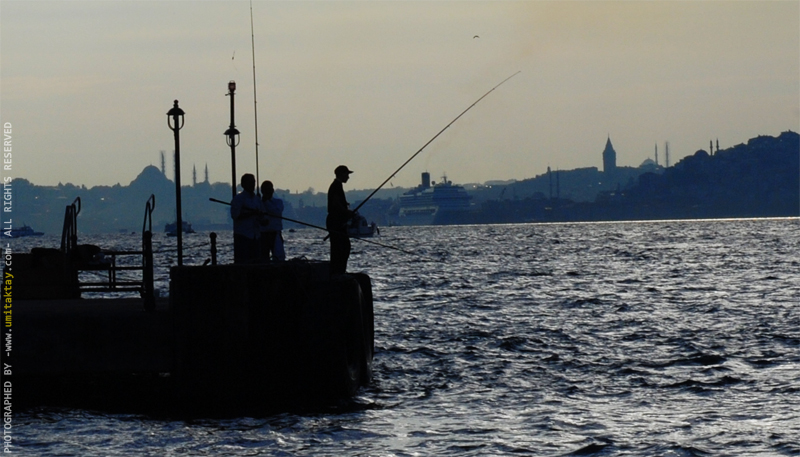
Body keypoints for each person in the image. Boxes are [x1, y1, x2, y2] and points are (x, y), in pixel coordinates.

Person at [327, 165, 355, 276]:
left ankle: (338, 272)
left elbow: (337, 202)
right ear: (341, 174)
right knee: (342, 248)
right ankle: (338, 272)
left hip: (336, 221)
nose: (348, 177)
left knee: (340, 248)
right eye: (347, 174)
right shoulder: (336, 186)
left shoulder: (336, 185)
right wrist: (346, 212)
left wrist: (345, 205)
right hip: (335, 221)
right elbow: (335, 203)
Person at [230, 173, 261, 264]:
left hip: (256, 236)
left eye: (254, 182)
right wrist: (251, 213)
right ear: (243, 184)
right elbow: (235, 216)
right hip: (243, 236)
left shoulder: (257, 199)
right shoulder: (238, 199)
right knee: (243, 263)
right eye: (250, 182)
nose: (253, 184)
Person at [259, 180, 285, 262]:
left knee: (279, 257)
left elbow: (276, 211)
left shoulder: (278, 202)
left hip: (275, 233)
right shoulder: (258, 203)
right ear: (262, 191)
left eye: (269, 190)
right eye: (265, 190)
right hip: (262, 234)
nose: (268, 192)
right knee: (262, 258)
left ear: (273, 190)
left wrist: (266, 202)